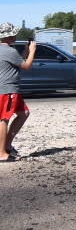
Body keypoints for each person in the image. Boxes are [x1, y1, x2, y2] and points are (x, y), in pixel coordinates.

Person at [0, 22, 35, 162]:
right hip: (8, 91)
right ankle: (2, 153)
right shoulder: (9, 51)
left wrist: (25, 51)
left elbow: (16, 61)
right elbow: (26, 66)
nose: (16, 35)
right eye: (14, 33)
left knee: (23, 113)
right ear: (9, 36)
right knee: (3, 120)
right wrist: (32, 51)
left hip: (10, 91)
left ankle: (7, 145)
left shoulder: (6, 51)